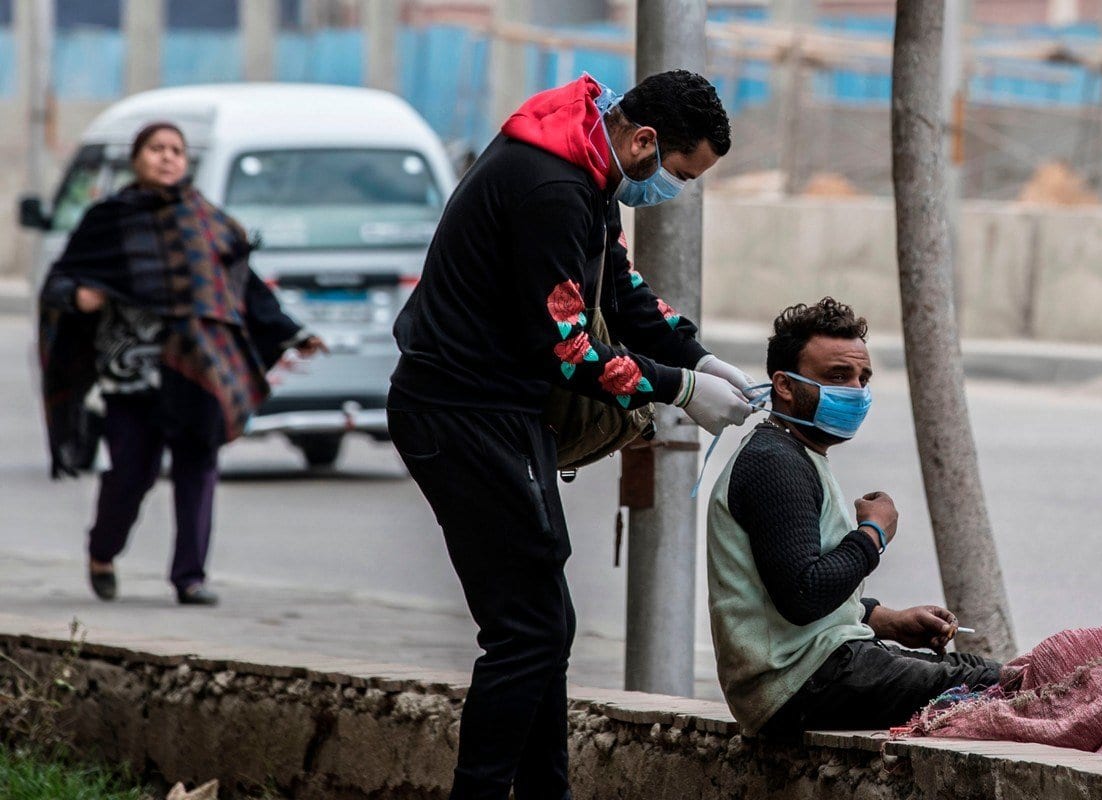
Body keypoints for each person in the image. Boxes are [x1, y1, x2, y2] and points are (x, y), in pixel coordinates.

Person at [387, 71, 754, 798]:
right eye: (680, 174)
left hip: (501, 413)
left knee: (546, 627)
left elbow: (621, 291)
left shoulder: (587, 166)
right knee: (527, 630)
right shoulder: (551, 187)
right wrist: (681, 390)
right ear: (644, 140)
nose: (673, 190)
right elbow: (565, 347)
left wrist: (700, 357)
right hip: (462, 413)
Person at [38, 122, 326, 607]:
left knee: (198, 469)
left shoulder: (207, 222)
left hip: (196, 368)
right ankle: (102, 551)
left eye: (176, 150)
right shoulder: (108, 220)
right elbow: (60, 280)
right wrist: (78, 296)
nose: (167, 157)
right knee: (131, 475)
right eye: (157, 148)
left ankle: (190, 577)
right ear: (137, 158)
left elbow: (244, 286)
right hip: (131, 377)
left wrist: (293, 332)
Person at [706, 297, 1001, 736]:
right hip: (800, 684)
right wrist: (873, 534)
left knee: (983, 669)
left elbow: (784, 592)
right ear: (784, 385)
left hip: (819, 671)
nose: (856, 392)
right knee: (997, 686)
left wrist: (888, 621)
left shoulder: (793, 452)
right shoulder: (774, 462)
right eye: (837, 377)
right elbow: (803, 595)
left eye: (863, 379)